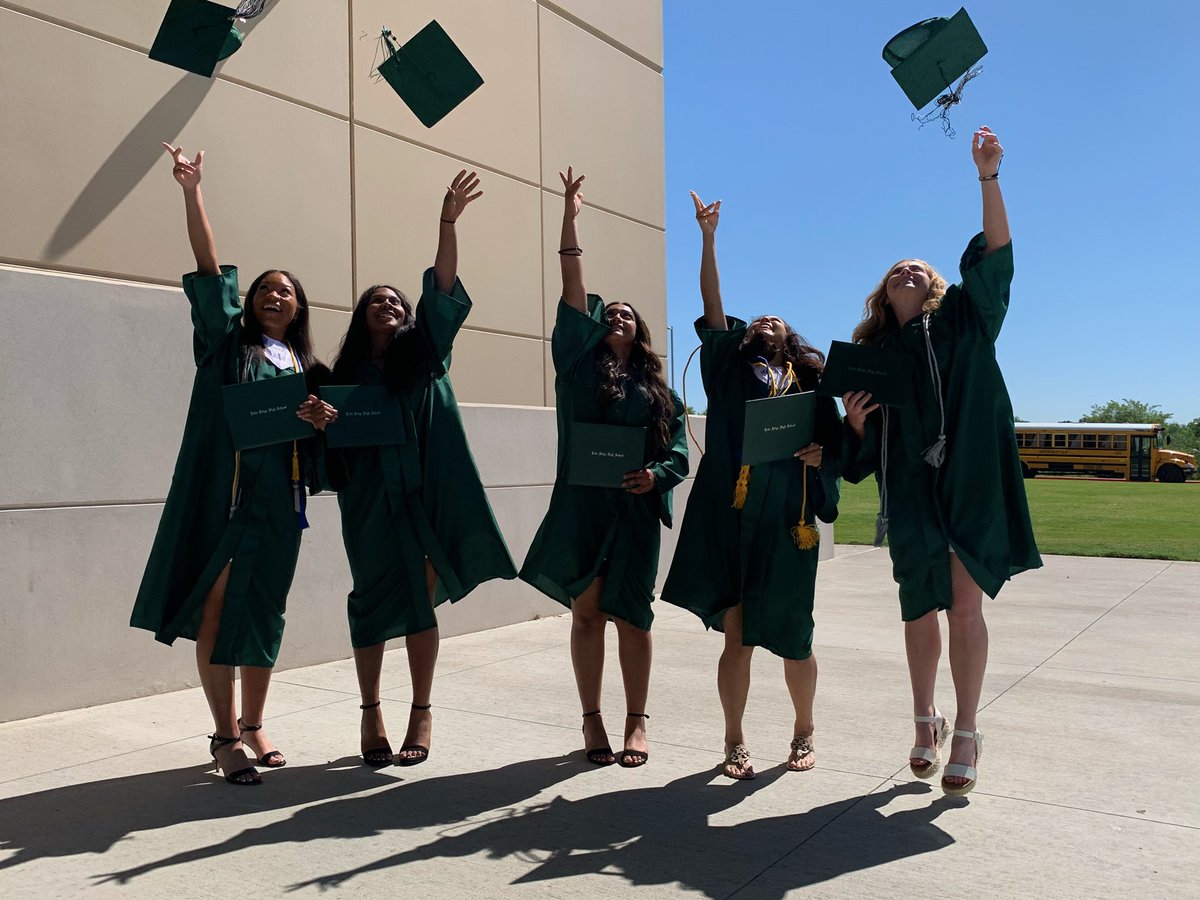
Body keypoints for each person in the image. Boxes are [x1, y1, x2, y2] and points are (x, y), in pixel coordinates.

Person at [840, 126, 1042, 797]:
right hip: (911, 488)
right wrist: (856, 423)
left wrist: (988, 176)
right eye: (896, 268)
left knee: (965, 605)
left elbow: (999, 255)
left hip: (969, 476)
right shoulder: (873, 356)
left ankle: (967, 730)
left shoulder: (963, 319)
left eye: (919, 267)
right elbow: (860, 452)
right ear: (882, 293)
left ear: (934, 284)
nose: (908, 269)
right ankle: (925, 719)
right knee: (918, 607)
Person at [130, 144, 336, 786]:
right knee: (217, 607)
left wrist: (320, 422)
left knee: (266, 609)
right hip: (229, 497)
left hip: (282, 501)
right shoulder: (228, 343)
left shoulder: (304, 369)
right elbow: (208, 267)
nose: (276, 296)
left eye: (287, 292)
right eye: (266, 290)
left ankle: (255, 723)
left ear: (299, 309)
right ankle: (223, 736)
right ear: (250, 303)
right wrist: (193, 192)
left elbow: (319, 442)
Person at [326, 170, 517, 768]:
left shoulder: (426, 353)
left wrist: (448, 222)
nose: (387, 305)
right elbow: (330, 446)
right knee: (370, 600)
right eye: (375, 302)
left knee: (421, 600)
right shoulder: (344, 377)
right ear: (361, 318)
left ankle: (421, 711)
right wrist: (320, 418)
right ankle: (370, 711)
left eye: (396, 302)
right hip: (369, 502)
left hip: (427, 495)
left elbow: (442, 285)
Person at [660, 191, 842, 781]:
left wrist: (822, 454)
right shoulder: (727, 371)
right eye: (758, 318)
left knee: (795, 636)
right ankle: (734, 740)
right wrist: (708, 240)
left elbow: (838, 449)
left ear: (791, 336)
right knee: (735, 636)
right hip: (734, 517)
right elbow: (712, 303)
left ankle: (804, 728)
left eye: (776, 318)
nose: (766, 321)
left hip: (791, 518)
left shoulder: (812, 385)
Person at [520, 167, 688, 768]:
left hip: (635, 509)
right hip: (584, 506)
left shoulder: (661, 392)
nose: (616, 317)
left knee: (634, 618)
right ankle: (592, 722)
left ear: (641, 330)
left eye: (626, 314)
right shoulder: (577, 363)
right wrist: (570, 216)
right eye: (607, 313)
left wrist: (657, 476)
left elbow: (680, 454)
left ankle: (636, 723)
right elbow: (571, 283)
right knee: (587, 612)